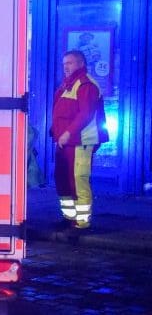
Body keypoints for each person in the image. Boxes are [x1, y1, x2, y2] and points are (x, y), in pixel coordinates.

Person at [50, 49, 105, 231]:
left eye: (70, 63)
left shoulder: (85, 84)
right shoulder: (68, 84)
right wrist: (57, 132)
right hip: (65, 141)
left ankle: (82, 222)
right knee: (63, 179)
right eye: (64, 63)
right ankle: (69, 217)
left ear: (81, 64)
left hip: (80, 141)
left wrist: (67, 133)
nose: (66, 66)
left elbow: (86, 114)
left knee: (78, 180)